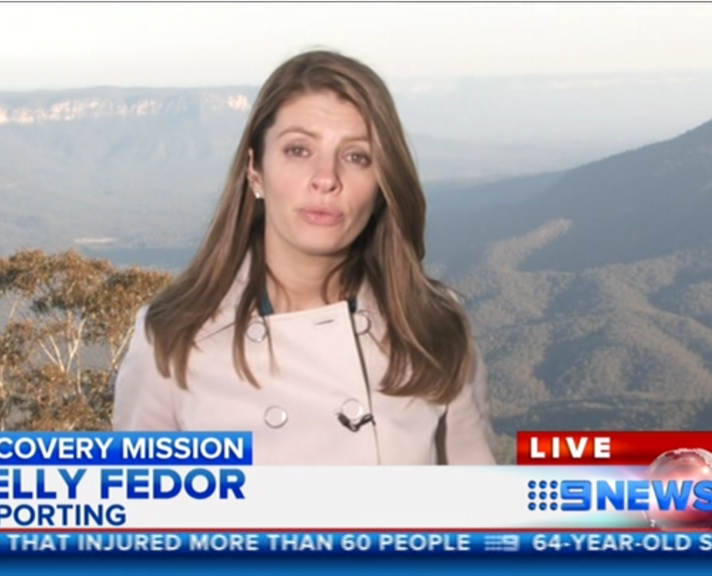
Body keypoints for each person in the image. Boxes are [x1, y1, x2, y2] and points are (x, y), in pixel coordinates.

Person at [112, 49, 496, 465]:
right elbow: (140, 500)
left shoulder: (433, 327)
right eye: (299, 150)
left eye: (356, 156)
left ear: (383, 182)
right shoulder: (173, 337)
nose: (326, 179)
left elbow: (476, 496)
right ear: (255, 170)